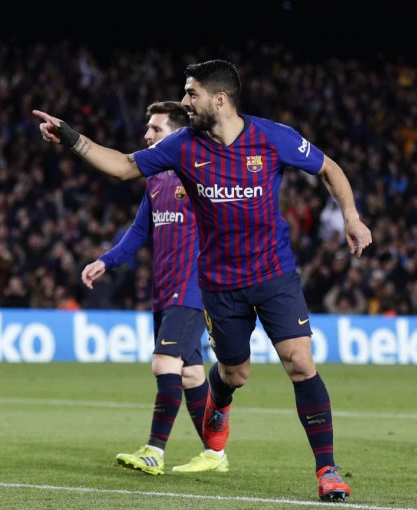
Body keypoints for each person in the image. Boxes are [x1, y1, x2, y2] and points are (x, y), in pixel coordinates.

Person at [34, 59, 372, 501]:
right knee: (236, 372)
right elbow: (122, 166)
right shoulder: (182, 146)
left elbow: (329, 169)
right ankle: (220, 397)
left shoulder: (272, 137)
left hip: (274, 273)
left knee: (300, 362)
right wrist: (72, 138)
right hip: (220, 284)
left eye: (191, 93)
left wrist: (351, 217)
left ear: (220, 99)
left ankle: (327, 469)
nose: (185, 101)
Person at [81, 101, 228, 474]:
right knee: (190, 374)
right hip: (164, 290)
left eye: (156, 129)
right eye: (148, 128)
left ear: (177, 135)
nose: (147, 135)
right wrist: (106, 261)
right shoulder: (156, 179)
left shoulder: (200, 175)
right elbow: (139, 231)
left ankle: (154, 451)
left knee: (164, 363)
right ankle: (215, 453)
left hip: (194, 287)